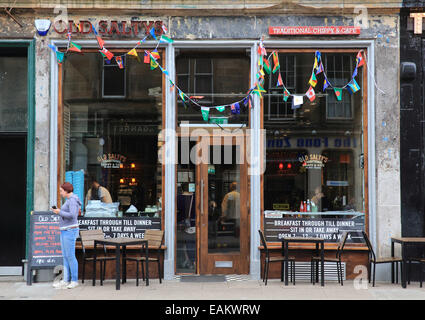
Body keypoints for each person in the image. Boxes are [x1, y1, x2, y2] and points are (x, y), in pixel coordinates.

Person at [52, 182, 81, 289]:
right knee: (65, 256)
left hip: (70, 230)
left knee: (70, 256)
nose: (60, 193)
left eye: (61, 191)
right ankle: (65, 280)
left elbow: (73, 215)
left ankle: (74, 280)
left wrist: (59, 212)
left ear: (66, 190)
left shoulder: (72, 200)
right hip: (65, 230)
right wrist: (59, 211)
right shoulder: (70, 200)